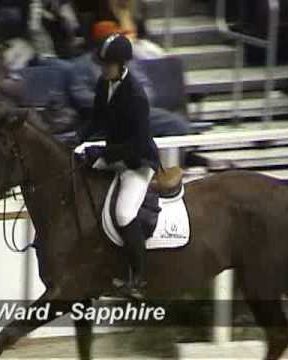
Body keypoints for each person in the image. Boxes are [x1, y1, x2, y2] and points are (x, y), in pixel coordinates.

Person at [79, 33, 160, 300]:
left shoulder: (136, 96)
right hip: (116, 156)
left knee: (124, 213)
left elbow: (136, 145)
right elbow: (95, 120)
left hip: (137, 162)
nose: (103, 68)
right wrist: (76, 143)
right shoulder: (105, 84)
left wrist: (101, 152)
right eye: (102, 63)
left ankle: (139, 279)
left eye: (108, 64)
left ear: (122, 64)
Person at [69, 21, 190, 137]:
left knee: (176, 124)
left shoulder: (127, 60)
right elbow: (83, 98)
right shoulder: (80, 66)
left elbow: (145, 87)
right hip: (104, 119)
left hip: (135, 112)